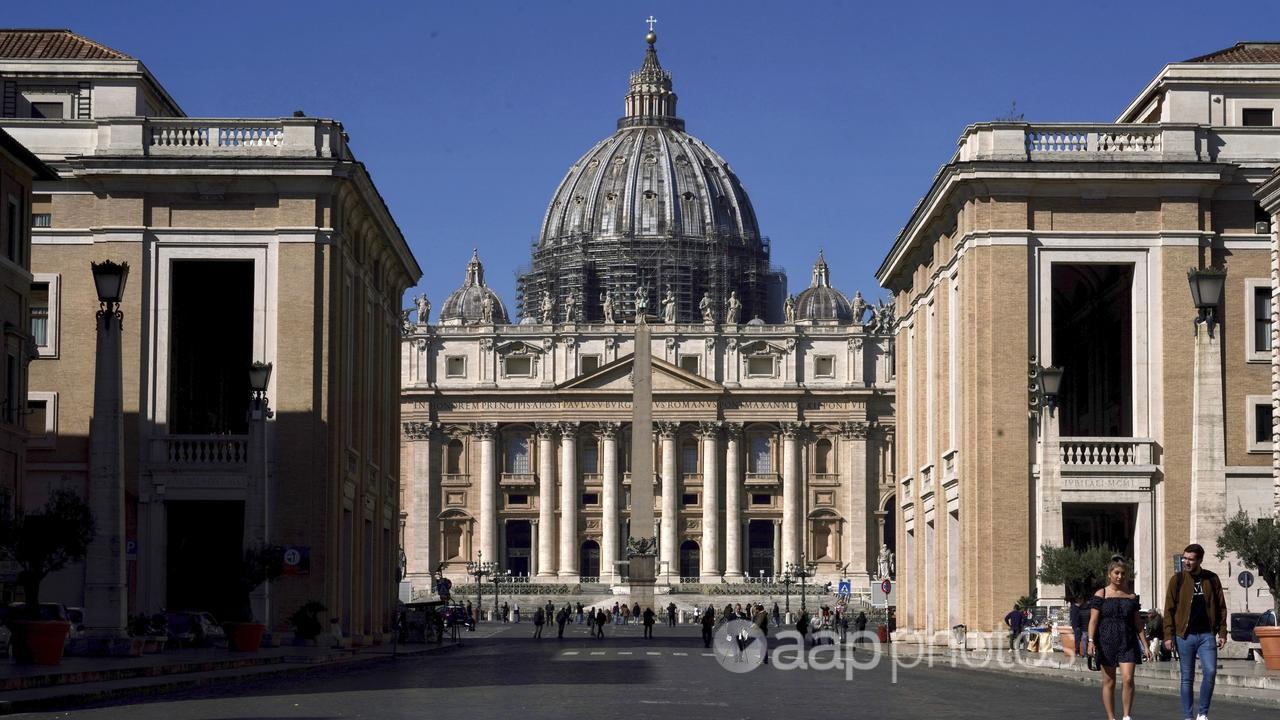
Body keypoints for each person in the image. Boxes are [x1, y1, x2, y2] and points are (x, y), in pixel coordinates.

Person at [1163, 543, 1227, 720]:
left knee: (1211, 671)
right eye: (1185, 558)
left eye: (1190, 559)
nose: (1186, 562)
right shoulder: (1177, 580)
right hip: (1184, 636)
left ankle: (1202, 713)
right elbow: (1168, 609)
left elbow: (1221, 607)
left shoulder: (1212, 579)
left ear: (1200, 560)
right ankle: (1188, 716)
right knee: (1187, 678)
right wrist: (1168, 635)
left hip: (1207, 635)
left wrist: (1222, 632)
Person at [1087, 559, 1152, 720]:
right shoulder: (1101, 594)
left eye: (1123, 573)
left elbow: (1138, 624)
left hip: (1127, 641)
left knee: (1128, 679)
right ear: (1109, 575)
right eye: (1116, 573)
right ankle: (1111, 717)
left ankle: (1126, 716)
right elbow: (1093, 621)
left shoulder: (1131, 596)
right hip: (1106, 641)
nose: (1120, 576)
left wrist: (1146, 646)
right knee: (1109, 682)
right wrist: (1090, 641)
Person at [1070, 596, 1089, 660]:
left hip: (1082, 626)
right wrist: (1075, 626)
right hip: (1077, 626)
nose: (1083, 601)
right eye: (1082, 599)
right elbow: (1074, 618)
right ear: (1079, 600)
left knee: (1083, 640)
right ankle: (1077, 652)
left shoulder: (1080, 607)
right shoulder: (1074, 608)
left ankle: (1082, 653)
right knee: (1078, 639)